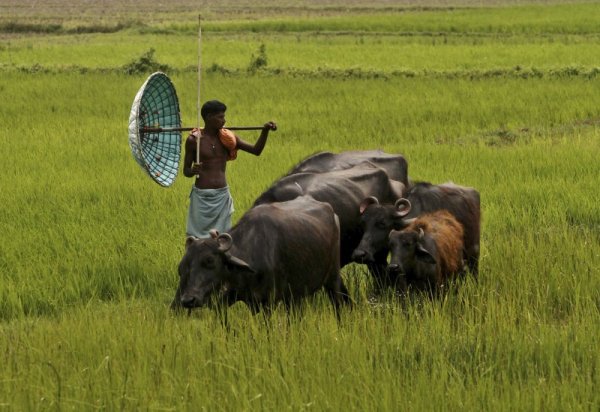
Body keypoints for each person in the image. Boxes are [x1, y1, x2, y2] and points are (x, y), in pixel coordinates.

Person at [183, 100, 277, 238]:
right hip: (201, 198)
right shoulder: (194, 141)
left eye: (224, 116)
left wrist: (265, 131)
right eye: (220, 117)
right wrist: (193, 171)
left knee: (222, 239)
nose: (224, 120)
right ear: (209, 117)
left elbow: (256, 150)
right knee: (197, 239)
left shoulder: (228, 139)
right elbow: (185, 171)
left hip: (222, 196)